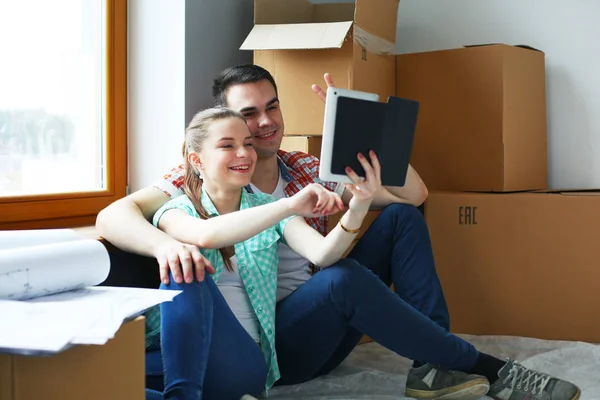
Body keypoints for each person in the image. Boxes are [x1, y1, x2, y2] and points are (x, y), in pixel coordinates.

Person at [97, 65, 581, 400]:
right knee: (331, 278)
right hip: (277, 333)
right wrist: (166, 243)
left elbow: (413, 194)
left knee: (397, 223)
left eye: (271, 108)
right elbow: (115, 218)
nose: (262, 126)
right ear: (204, 149)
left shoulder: (306, 170)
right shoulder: (189, 185)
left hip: (313, 320)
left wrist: (354, 126)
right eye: (245, 119)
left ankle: (436, 363)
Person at [145, 106, 380, 399]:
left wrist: (358, 206)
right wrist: (290, 204)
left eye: (247, 144)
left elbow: (322, 255)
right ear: (196, 160)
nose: (243, 153)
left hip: (241, 362)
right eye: (227, 146)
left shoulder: (269, 208)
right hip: (179, 357)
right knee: (102, 380)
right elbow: (206, 234)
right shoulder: (176, 211)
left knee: (187, 266)